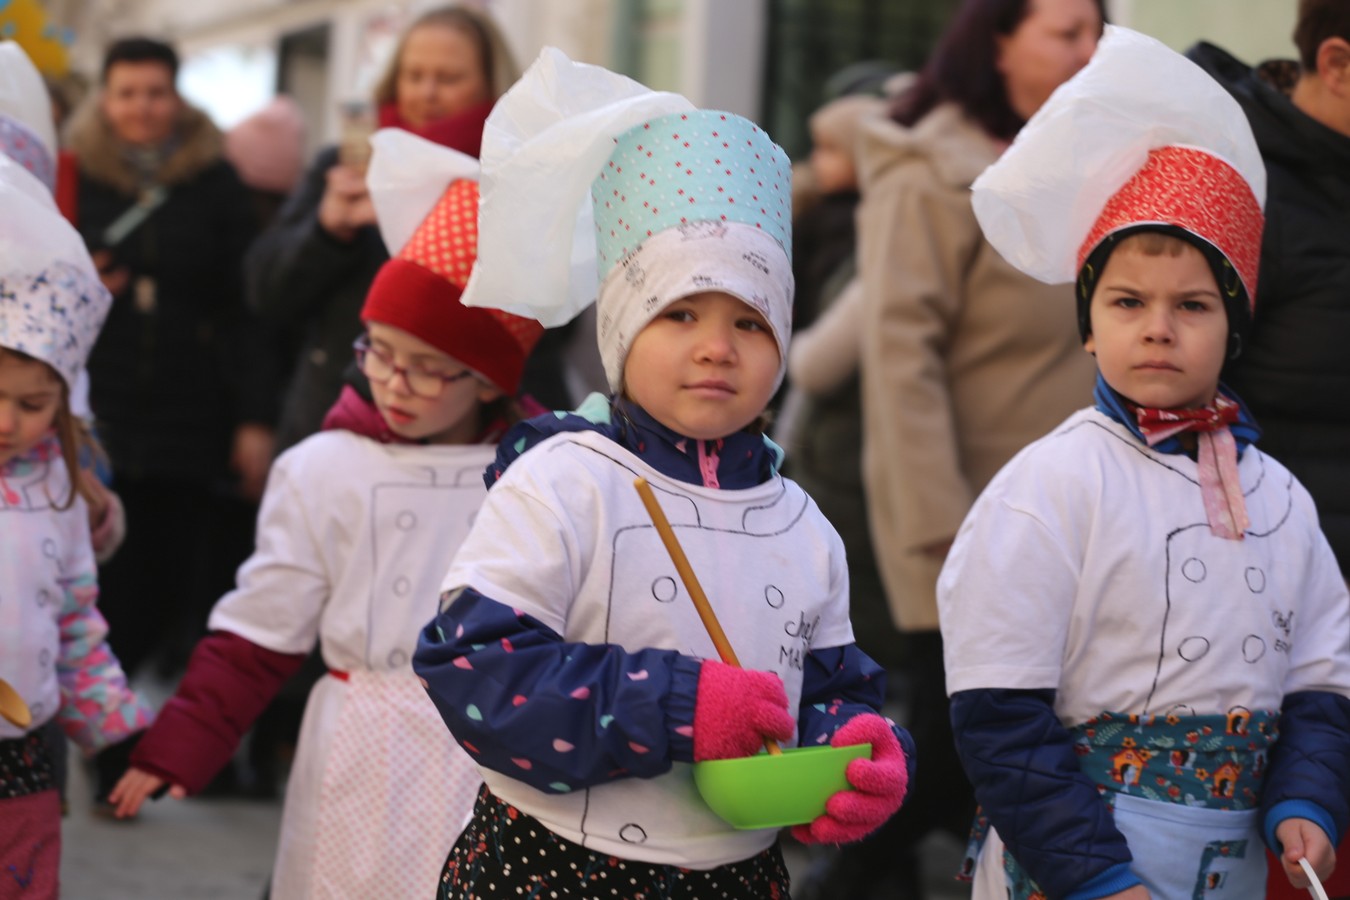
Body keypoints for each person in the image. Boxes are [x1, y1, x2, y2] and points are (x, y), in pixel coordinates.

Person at [411, 49, 913, 900]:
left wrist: (853, 748)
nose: (717, 346)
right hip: (551, 871)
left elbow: (830, 683)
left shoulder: (802, 523)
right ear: (621, 331)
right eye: (680, 312)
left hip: (738, 876)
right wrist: (679, 707)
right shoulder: (566, 481)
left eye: (750, 323)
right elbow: (473, 669)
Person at [940, 26, 1350, 899]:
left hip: (1230, 869)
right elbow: (997, 714)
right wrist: (1095, 877)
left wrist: (1308, 798)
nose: (1159, 325)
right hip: (1071, 871)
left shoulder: (1282, 500)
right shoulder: (1048, 489)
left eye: (1194, 304)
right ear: (1089, 325)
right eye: (1127, 301)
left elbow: (1321, 679)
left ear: (1235, 329)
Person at [107, 131, 545, 899]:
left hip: (489, 752)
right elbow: (259, 629)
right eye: (378, 351)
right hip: (356, 743)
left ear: (485, 381)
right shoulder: (321, 468)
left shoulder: (540, 475)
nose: (394, 382)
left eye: (427, 367)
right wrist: (180, 743)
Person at [852, 0, 1103, 893]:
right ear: (999, 42)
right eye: (1065, 31)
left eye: (1095, 31)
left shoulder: (1083, 161)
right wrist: (940, 522)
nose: (1088, 50)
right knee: (950, 760)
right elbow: (899, 349)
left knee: (1011, 757)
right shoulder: (933, 168)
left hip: (1067, 518)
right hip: (965, 515)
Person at [64, 37, 275, 688]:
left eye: (155, 93)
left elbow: (250, 307)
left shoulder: (215, 181)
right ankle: (102, 739)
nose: (142, 108)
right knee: (98, 580)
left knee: (170, 583)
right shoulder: (72, 176)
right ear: (106, 99)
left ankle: (116, 731)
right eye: (127, 93)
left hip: (192, 413)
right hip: (100, 410)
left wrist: (254, 419)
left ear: (177, 98)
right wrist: (82, 279)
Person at [246, 5, 520, 454]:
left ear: (493, 85)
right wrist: (326, 231)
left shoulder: (516, 174)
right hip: (337, 419)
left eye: (448, 78)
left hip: (477, 439)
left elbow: (549, 323)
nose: (427, 93)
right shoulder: (347, 164)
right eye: (413, 75)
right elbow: (264, 293)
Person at [0, 148, 153, 899]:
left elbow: (74, 623)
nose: (8, 422)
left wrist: (114, 733)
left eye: (33, 406)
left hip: (23, 751)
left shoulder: (59, 486)